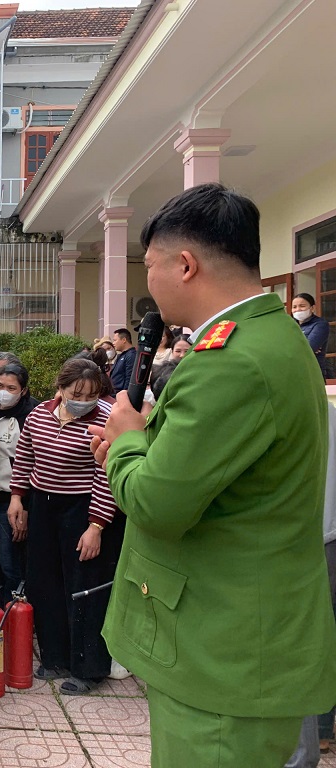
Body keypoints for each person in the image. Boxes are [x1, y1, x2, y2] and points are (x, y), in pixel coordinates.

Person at [90, 183, 336, 767]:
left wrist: (127, 442)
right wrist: (142, 441)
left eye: (151, 265)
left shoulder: (233, 362)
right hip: (229, 635)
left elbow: (156, 503)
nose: (149, 282)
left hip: (221, 647)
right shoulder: (266, 335)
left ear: (185, 265)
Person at [9, 357, 121, 696]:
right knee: (44, 580)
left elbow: (107, 474)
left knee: (84, 586)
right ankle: (55, 657)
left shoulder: (106, 419)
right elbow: (25, 456)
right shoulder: (39, 414)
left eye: (91, 395)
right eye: (76, 394)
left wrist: (97, 525)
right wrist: (17, 497)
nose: (83, 401)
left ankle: (88, 667)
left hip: (84, 507)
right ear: (60, 388)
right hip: (43, 504)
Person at [0, 362, 37, 597]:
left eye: (11, 388)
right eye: (0, 385)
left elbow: (33, 464)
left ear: (23, 390)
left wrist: (24, 504)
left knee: (10, 562)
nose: (3, 392)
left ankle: (13, 609)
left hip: (11, 500)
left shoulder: (31, 415)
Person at [292, 292, 330, 376]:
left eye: (302, 306)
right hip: (293, 371)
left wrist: (305, 348)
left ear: (312, 308)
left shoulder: (320, 324)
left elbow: (308, 348)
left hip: (313, 373)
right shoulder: (290, 325)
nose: (298, 309)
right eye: (294, 307)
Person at [108, 328, 135, 393]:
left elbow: (129, 378)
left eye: (115, 340)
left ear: (124, 340)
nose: (113, 343)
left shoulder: (131, 355)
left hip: (121, 394)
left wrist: (124, 395)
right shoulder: (121, 356)